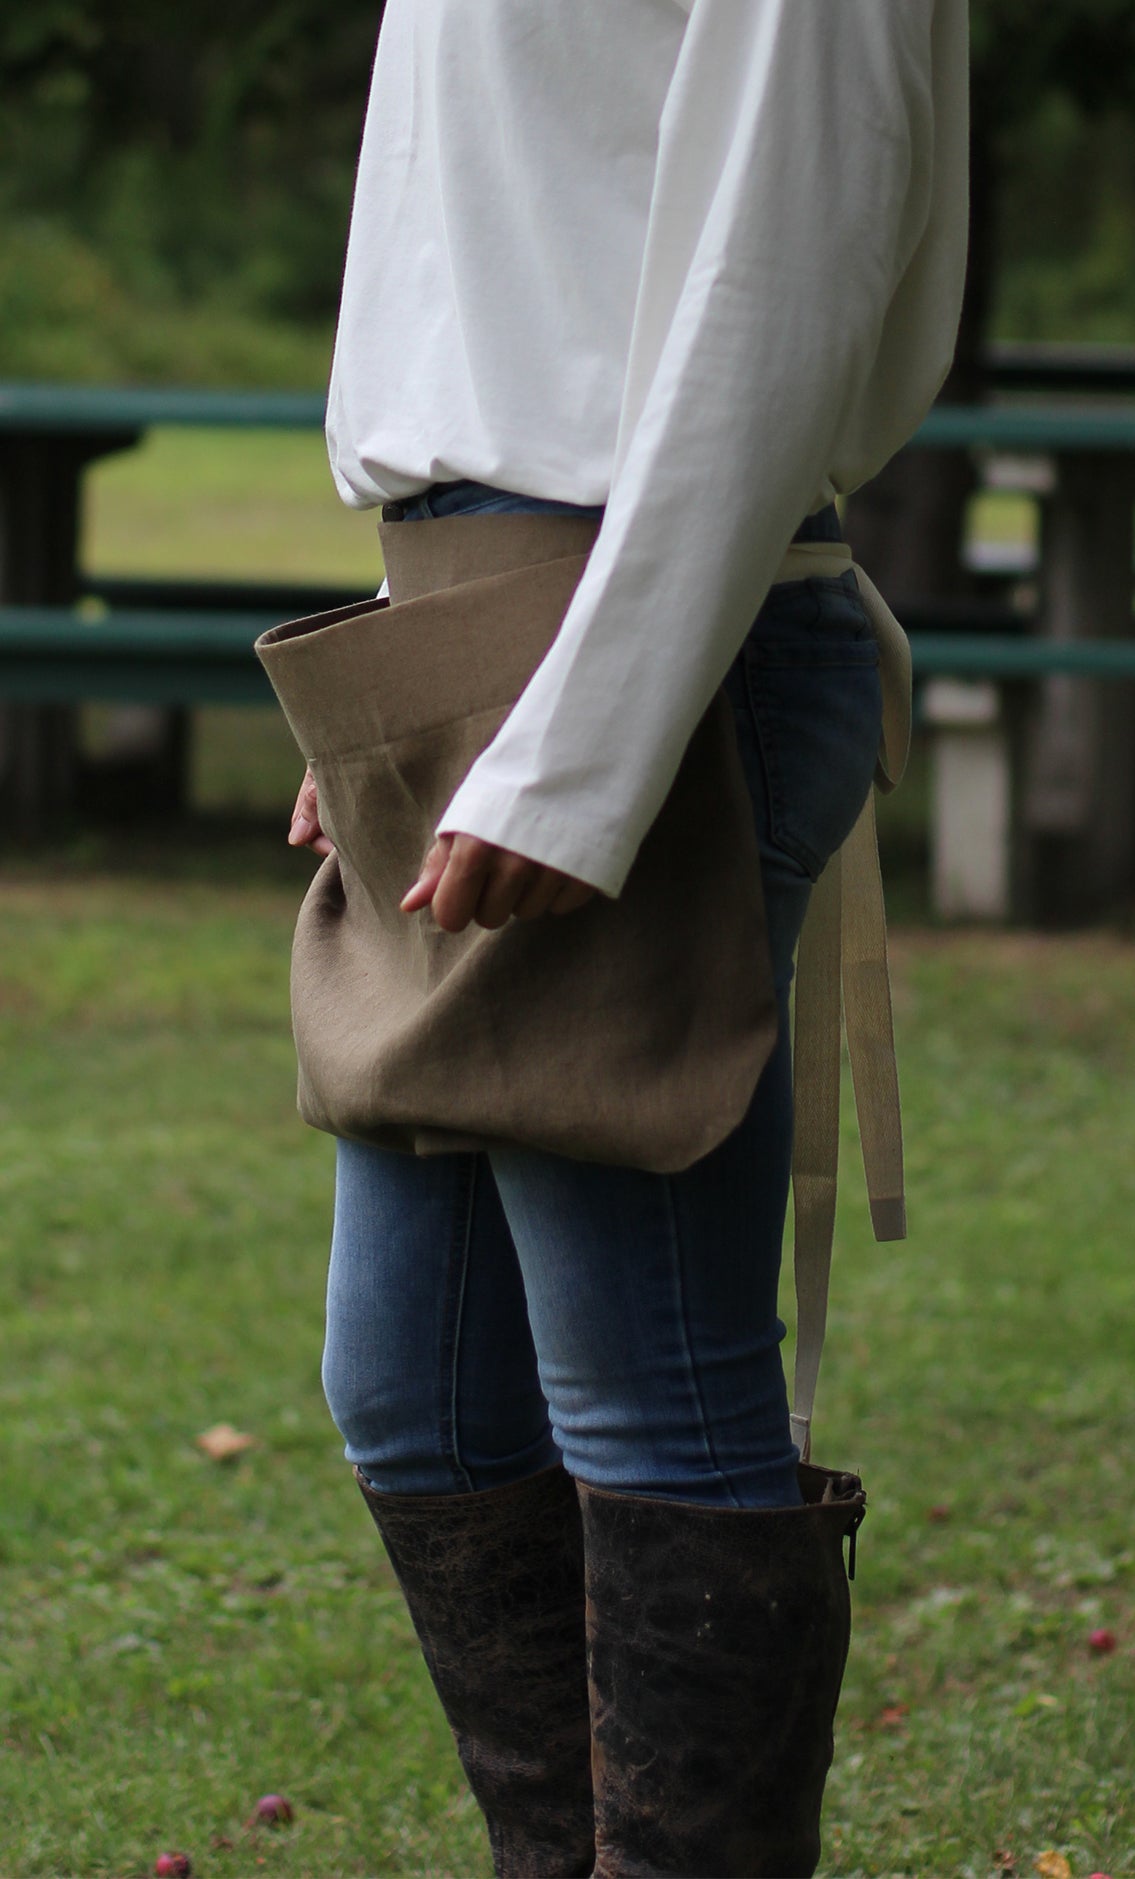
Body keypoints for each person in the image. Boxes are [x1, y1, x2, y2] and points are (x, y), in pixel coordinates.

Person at [285, 4, 969, 1874]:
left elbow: (781, 279)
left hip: (644, 641)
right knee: (414, 1394)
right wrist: (412, 699)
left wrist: (578, 750)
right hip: (487, 642)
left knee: (645, 1396)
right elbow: (496, 256)